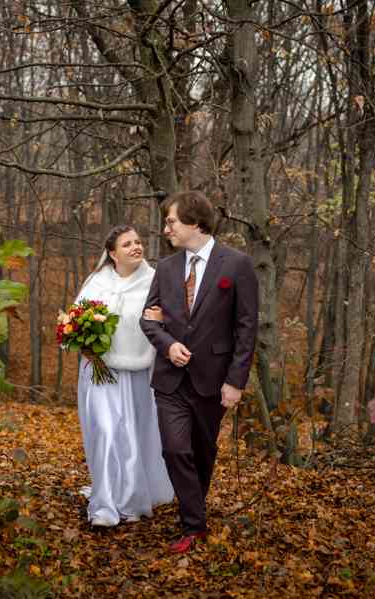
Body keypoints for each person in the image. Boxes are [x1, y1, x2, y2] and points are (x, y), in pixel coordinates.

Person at [140, 191, 258, 554]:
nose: (166, 229)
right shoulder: (166, 267)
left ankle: (193, 511)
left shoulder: (237, 265)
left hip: (214, 379)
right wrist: (168, 344)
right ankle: (194, 524)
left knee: (202, 452)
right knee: (175, 450)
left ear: (194, 222)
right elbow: (148, 318)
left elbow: (246, 327)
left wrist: (235, 381)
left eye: (172, 221)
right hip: (170, 379)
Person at [74, 225, 175, 527]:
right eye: (127, 243)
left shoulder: (155, 281)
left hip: (138, 372)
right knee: (104, 431)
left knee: (133, 434)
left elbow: (170, 319)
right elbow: (76, 318)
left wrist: (163, 319)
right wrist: (84, 342)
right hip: (99, 370)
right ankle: (104, 504)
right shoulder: (96, 282)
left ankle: (130, 499)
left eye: (138, 242)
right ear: (113, 253)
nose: (135, 247)